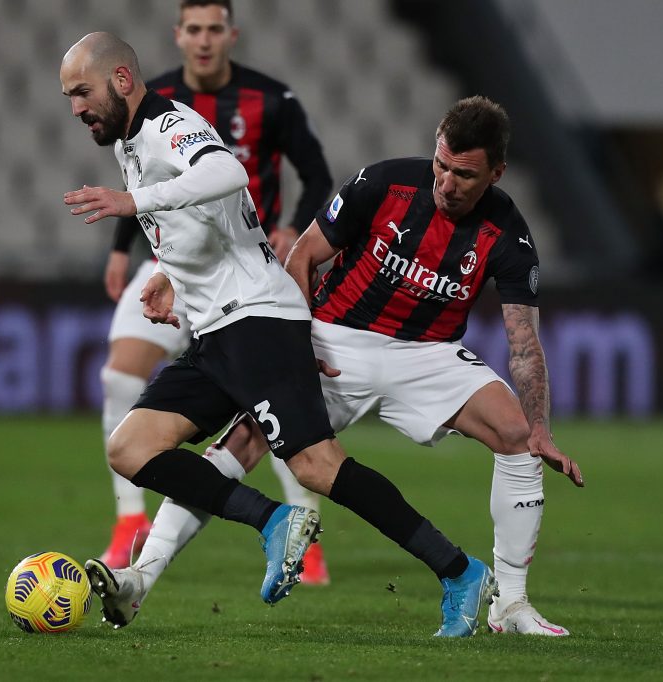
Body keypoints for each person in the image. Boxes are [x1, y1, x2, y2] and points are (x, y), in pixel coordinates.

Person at [60, 31, 496, 637]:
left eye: (82, 92)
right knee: (131, 448)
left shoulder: (164, 124)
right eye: (69, 97)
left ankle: (459, 571)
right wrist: (166, 271)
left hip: (259, 319)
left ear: (123, 81)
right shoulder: (131, 141)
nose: (76, 107)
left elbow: (225, 173)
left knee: (317, 466)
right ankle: (217, 545)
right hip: (215, 331)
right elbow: (203, 220)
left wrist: (134, 202)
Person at [122, 96, 585, 636]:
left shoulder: (509, 234)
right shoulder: (385, 183)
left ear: (496, 173)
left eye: (465, 174)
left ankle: (510, 603)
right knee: (242, 444)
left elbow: (523, 341)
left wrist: (542, 429)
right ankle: (141, 577)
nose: (447, 183)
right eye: (441, 165)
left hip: (426, 352)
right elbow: (302, 257)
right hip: (335, 339)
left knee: (516, 433)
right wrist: (295, 343)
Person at [95, 0, 333, 580]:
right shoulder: (147, 104)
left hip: (245, 270)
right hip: (173, 266)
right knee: (120, 377)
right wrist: (127, 250)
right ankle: (131, 521)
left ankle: (302, 526)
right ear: (178, 36)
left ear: (231, 34)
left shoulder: (270, 99)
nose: (203, 40)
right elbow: (147, 190)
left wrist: (292, 230)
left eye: (213, 29)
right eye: (193, 29)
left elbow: (315, 175)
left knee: (267, 412)